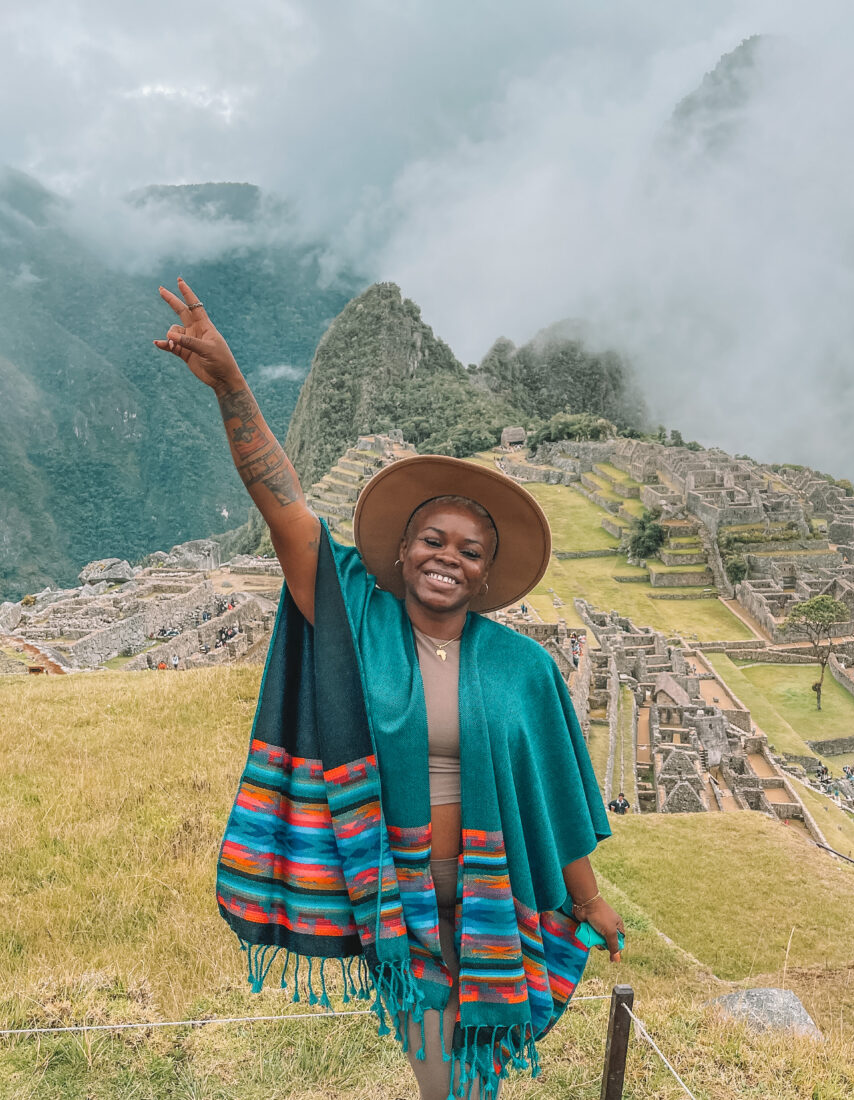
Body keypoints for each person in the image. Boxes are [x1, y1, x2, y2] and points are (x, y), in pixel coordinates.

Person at [155, 279, 622, 1100]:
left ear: (485, 575)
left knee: (478, 1072)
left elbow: (552, 794)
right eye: (433, 540)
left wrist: (589, 898)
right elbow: (287, 507)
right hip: (398, 901)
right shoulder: (357, 624)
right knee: (443, 1075)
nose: (450, 557)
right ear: (401, 555)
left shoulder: (524, 668)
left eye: (470, 551)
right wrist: (232, 385)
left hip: (499, 898)